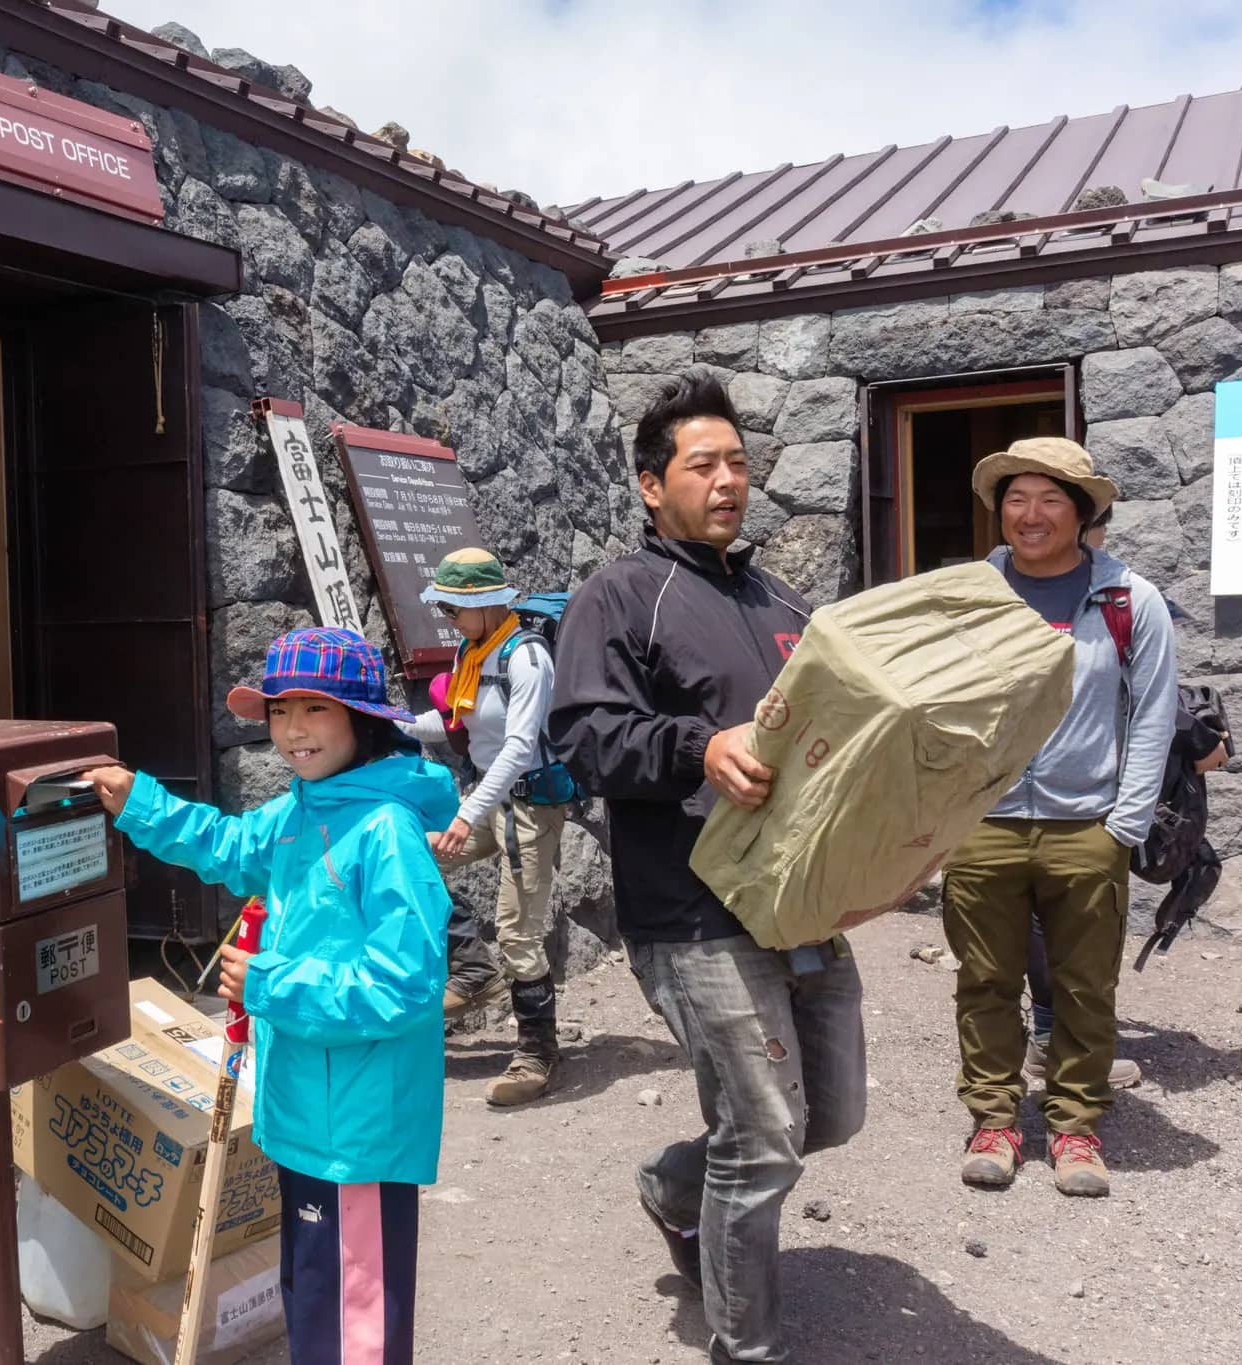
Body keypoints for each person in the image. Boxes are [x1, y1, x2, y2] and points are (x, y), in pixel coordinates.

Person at [548, 370, 866, 1365]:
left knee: (831, 1111)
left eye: (737, 462)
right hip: (691, 913)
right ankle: (747, 1345)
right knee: (767, 1133)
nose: (728, 480)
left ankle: (676, 1185)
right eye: (703, 464)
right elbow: (586, 739)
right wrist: (696, 747)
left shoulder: (778, 598)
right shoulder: (620, 596)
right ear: (652, 486)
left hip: (801, 901)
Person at [83, 626, 456, 1365]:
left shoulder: (386, 829)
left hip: (356, 1130)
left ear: (363, 719)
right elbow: (226, 846)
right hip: (307, 1114)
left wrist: (268, 983)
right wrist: (139, 804)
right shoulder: (303, 810)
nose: (293, 730)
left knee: (354, 1319)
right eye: (280, 711)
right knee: (316, 1300)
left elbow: (408, 984)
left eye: (315, 709)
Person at [943, 438, 1177, 1198]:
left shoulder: (1126, 599)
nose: (1030, 514)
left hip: (1087, 824)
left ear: (1083, 513)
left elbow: (1152, 715)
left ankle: (1076, 1125)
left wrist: (1126, 822)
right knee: (984, 979)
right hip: (986, 819)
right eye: (1016, 498)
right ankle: (995, 1119)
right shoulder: (970, 593)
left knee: (1084, 985)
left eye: (1050, 499)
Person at [1019, 506, 1227, 1085]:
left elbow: (1146, 688)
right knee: (1055, 921)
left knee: (1057, 921)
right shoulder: (1031, 591)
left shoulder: (1118, 593)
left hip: (1086, 794)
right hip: (1048, 792)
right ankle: (1049, 1038)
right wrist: (1201, 736)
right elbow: (1109, 691)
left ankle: (1054, 1037)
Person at [400, 547, 569, 1106]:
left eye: (452, 609)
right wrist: (391, 723)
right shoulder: (475, 653)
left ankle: (536, 1055)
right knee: (408, 858)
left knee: (519, 930)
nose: (446, 618)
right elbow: (453, 721)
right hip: (488, 801)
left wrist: (467, 814)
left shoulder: (526, 658)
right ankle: (472, 971)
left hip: (527, 807)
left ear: (484, 603)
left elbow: (520, 747)